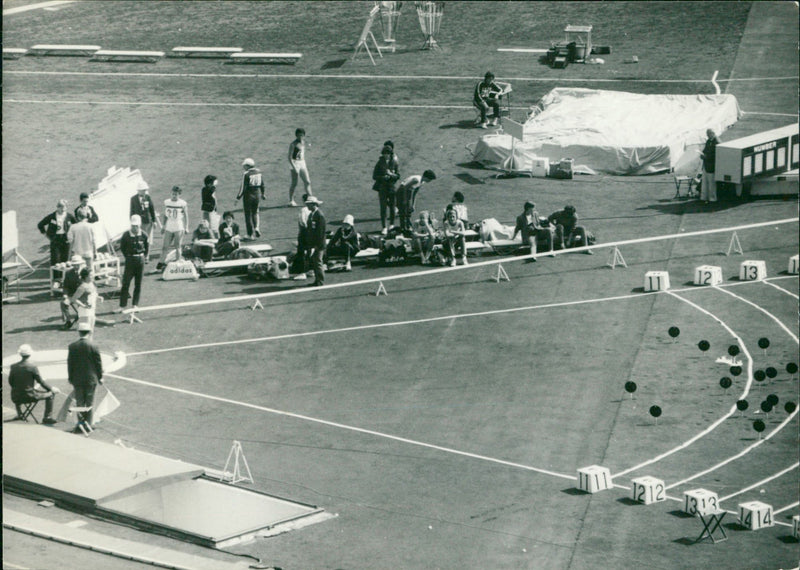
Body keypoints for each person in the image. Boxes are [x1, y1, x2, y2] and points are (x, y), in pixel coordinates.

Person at [9, 344, 59, 424]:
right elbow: (41, 382)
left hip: (15, 397)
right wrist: (52, 389)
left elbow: (11, 382)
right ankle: (47, 417)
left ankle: (19, 414)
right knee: (50, 394)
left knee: (17, 389)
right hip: (29, 396)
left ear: (20, 354)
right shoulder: (32, 367)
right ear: (30, 354)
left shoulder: (13, 366)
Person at [67, 322, 104, 431]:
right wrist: (100, 377)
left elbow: (70, 364)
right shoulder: (94, 346)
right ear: (89, 332)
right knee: (89, 401)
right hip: (91, 378)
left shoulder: (72, 346)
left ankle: (80, 423)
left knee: (79, 402)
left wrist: (70, 377)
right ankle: (88, 424)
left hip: (77, 379)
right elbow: (98, 363)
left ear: (79, 332)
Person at [117, 215, 149, 312]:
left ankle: (135, 304)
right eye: (133, 226)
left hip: (140, 260)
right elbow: (122, 248)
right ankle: (122, 305)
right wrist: (128, 256)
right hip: (130, 260)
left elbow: (146, 247)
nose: (135, 228)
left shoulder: (144, 235)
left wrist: (144, 257)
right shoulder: (126, 235)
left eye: (136, 226)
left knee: (138, 283)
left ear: (139, 225)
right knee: (126, 283)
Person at [129, 180, 161, 262]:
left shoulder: (148, 197)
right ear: (139, 190)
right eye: (143, 190)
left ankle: (146, 256)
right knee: (139, 239)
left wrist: (154, 221)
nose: (144, 191)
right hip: (138, 223)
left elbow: (152, 209)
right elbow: (131, 211)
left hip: (148, 222)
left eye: (145, 190)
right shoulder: (133, 199)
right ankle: (139, 255)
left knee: (147, 239)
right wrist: (132, 222)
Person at [38, 199, 76, 266]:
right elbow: (40, 224)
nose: (63, 210)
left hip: (66, 239)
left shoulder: (69, 216)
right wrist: (46, 235)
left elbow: (76, 224)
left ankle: (66, 276)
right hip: (55, 239)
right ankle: (56, 276)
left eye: (64, 209)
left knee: (66, 260)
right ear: (58, 207)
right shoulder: (52, 216)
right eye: (61, 208)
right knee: (56, 260)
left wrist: (72, 235)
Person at [372, 145, 400, 235]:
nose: (386, 155)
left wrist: (391, 175)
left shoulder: (394, 162)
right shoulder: (379, 163)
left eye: (388, 154)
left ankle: (391, 224)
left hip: (391, 187)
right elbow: (374, 176)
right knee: (383, 207)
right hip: (382, 188)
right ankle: (384, 227)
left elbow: (398, 176)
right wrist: (383, 177)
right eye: (385, 154)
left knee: (392, 207)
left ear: (390, 154)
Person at [159, 185, 189, 270]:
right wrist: (163, 226)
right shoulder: (167, 202)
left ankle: (178, 262)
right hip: (169, 224)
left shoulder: (182, 203)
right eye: (172, 194)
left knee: (178, 245)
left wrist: (186, 227)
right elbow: (165, 215)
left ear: (179, 195)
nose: (173, 196)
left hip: (178, 224)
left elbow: (186, 216)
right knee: (165, 246)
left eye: (175, 194)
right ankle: (161, 263)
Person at [235, 157, 265, 239]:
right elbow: (262, 184)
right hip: (257, 195)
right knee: (255, 213)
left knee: (248, 215)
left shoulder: (246, 174)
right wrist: (263, 193)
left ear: (248, 166)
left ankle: (249, 234)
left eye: (244, 166)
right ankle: (256, 228)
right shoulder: (259, 172)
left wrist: (238, 198)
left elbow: (243, 188)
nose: (243, 167)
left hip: (248, 196)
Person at [304, 196, 326, 286]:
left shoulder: (319, 215)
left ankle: (320, 281)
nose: (307, 206)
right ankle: (317, 280)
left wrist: (317, 245)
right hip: (313, 243)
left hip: (318, 244)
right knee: (315, 262)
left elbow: (321, 232)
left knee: (318, 262)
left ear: (313, 204)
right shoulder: (312, 214)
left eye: (308, 204)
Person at [288, 128, 312, 206]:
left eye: (301, 135)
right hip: (294, 163)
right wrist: (294, 167)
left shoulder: (304, 143)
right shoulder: (293, 144)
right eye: (298, 135)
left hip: (302, 162)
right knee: (294, 183)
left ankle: (310, 198)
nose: (300, 137)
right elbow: (289, 157)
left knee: (307, 181)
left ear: (304, 135)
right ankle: (291, 200)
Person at [60, 256, 85, 330]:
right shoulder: (68, 273)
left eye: (78, 265)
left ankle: (80, 322)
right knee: (63, 303)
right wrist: (65, 294)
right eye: (74, 265)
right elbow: (65, 286)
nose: (76, 266)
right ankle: (68, 321)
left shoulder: (85, 272)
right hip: (72, 295)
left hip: (82, 296)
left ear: (81, 264)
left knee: (82, 307)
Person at [290, 194, 311, 278]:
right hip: (311, 233)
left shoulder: (303, 210)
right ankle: (310, 269)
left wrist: (304, 231)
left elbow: (302, 221)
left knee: (301, 252)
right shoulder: (314, 210)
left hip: (304, 233)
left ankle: (302, 272)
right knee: (310, 251)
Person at [700, 129, 720, 204]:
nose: (707, 135)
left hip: (712, 165)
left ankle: (712, 198)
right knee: (704, 182)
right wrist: (702, 154)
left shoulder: (717, 142)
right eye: (707, 134)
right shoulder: (708, 141)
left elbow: (716, 155)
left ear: (712, 133)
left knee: (711, 183)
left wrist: (706, 156)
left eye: (708, 134)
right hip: (706, 165)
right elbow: (705, 150)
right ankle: (704, 197)